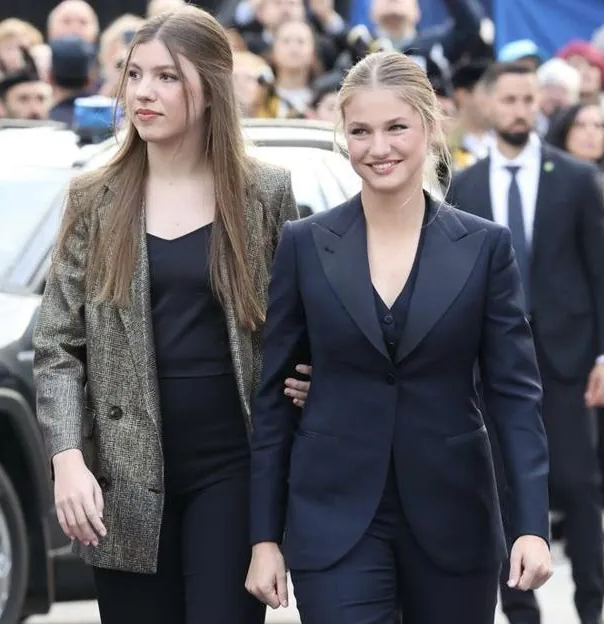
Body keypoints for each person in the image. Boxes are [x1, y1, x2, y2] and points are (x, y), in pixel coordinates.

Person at [246, 50, 552, 623]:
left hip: (453, 515)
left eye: (395, 128)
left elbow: (515, 396)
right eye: (360, 130)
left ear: (430, 129)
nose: (377, 147)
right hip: (332, 518)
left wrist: (531, 525)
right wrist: (264, 536)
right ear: (343, 137)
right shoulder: (304, 244)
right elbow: (272, 401)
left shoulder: (485, 248)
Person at [33, 7, 309, 624]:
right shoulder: (95, 195)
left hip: (234, 466)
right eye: (134, 75)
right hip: (122, 476)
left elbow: (302, 323)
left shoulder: (263, 191)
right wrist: (67, 458)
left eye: (165, 77)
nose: (143, 93)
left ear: (208, 88)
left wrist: (316, 374)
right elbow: (56, 345)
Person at [449, 62, 604, 624]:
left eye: (528, 98)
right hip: (491, 362)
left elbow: (598, 270)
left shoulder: (576, 178)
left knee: (578, 484)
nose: (520, 108)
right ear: (489, 105)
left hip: (566, 358)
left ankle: (592, 604)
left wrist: (603, 355)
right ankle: (520, 610)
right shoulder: (465, 185)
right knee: (499, 485)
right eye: (510, 98)